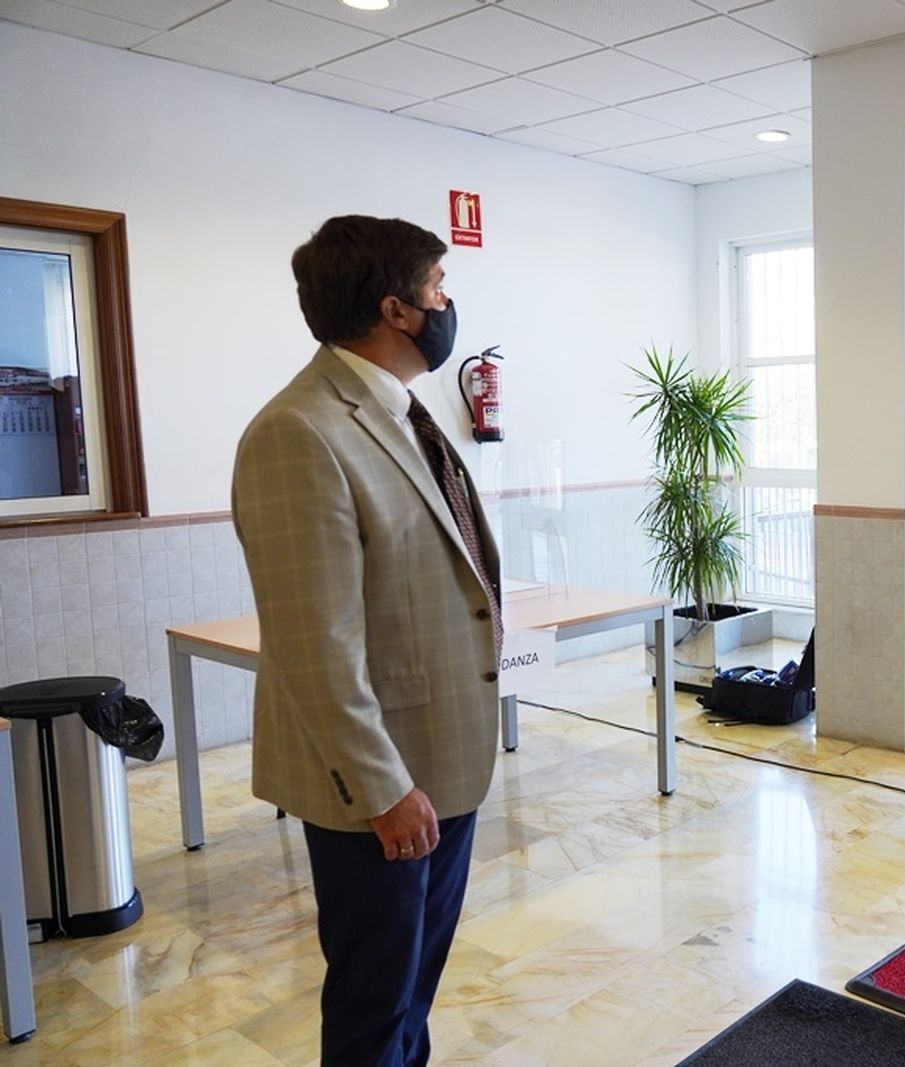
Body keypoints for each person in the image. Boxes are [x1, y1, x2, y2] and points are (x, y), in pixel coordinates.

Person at [232, 215, 503, 1066]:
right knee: (373, 1002)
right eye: (437, 290)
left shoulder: (400, 415)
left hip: (442, 757)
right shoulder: (299, 431)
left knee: (410, 993)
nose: (447, 304)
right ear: (397, 310)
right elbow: (314, 643)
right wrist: (385, 789)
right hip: (378, 786)